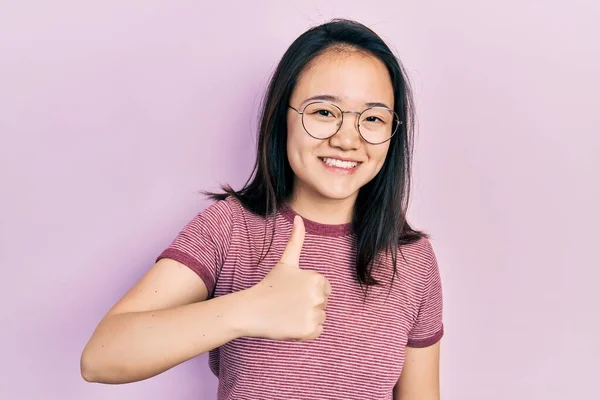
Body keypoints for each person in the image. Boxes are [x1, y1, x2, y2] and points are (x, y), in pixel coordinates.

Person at [81, 18, 444, 400]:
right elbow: (101, 357)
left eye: (372, 118)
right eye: (323, 112)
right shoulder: (230, 228)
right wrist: (250, 309)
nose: (347, 139)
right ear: (282, 116)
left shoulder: (413, 261)